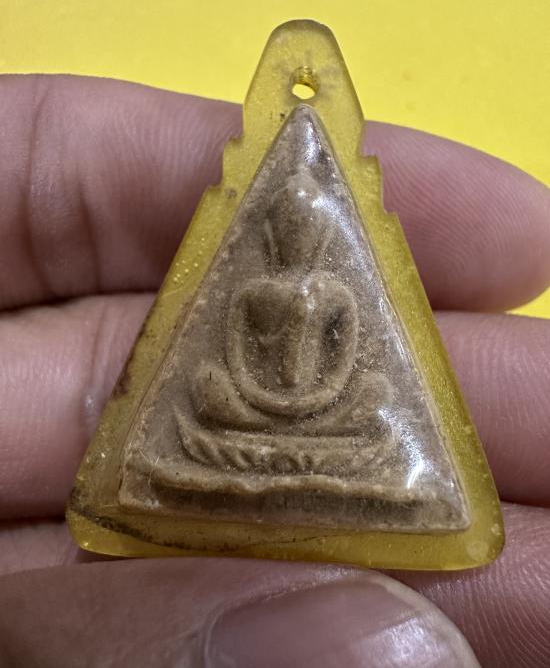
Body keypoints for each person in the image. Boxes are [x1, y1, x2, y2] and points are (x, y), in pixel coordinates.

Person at [0, 75, 549, 668]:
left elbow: (345, 367)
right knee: (207, 391)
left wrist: (312, 404)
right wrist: (264, 401)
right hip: (249, 409)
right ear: (270, 234)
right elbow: (235, 362)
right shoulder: (250, 290)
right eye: (287, 234)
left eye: (305, 233)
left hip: (327, 412)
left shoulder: (338, 290)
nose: (296, 242)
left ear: (319, 235)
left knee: (375, 392)